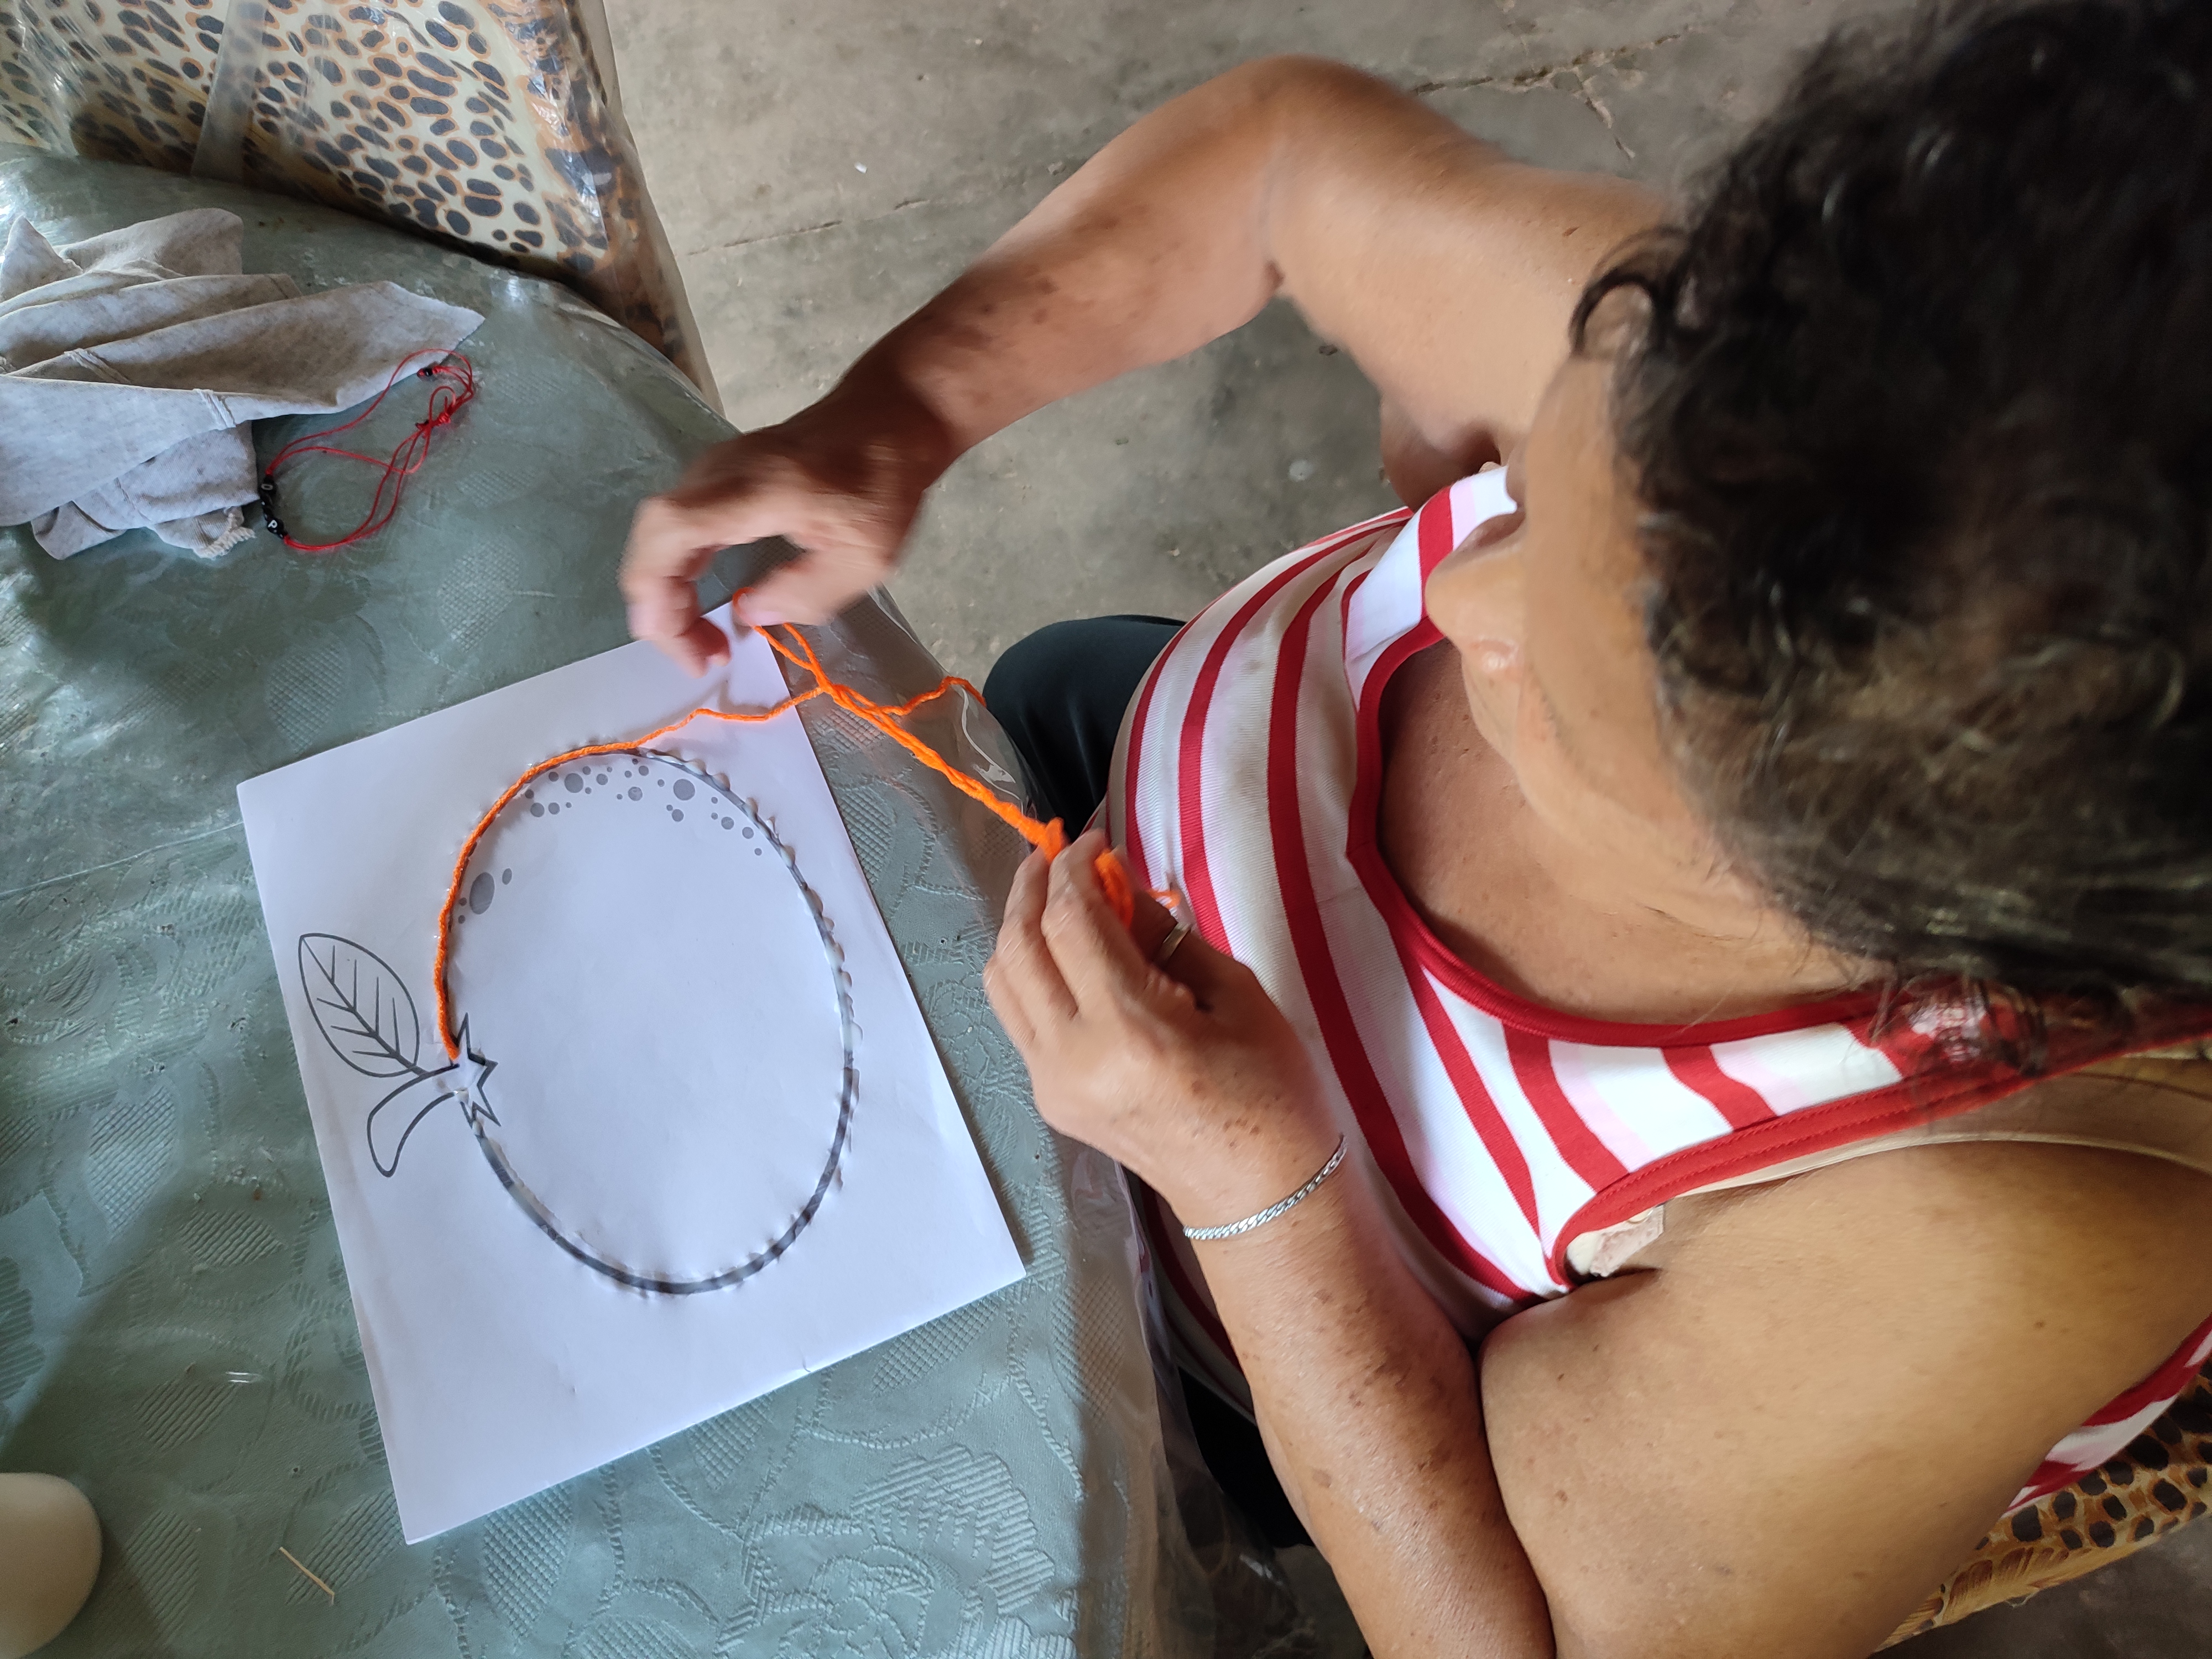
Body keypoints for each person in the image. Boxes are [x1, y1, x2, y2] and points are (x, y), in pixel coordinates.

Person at [620, 2, 2212, 1653]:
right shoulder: (1800, 392)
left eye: (1560, 685)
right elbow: (1280, 166)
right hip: (1172, 793)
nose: (1451, 584)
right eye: (1548, 475)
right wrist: (903, 413)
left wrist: (1259, 1182)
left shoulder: (1985, 1227)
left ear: (1875, 916)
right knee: (1055, 686)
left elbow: (1507, 1639)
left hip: (1270, 1328)